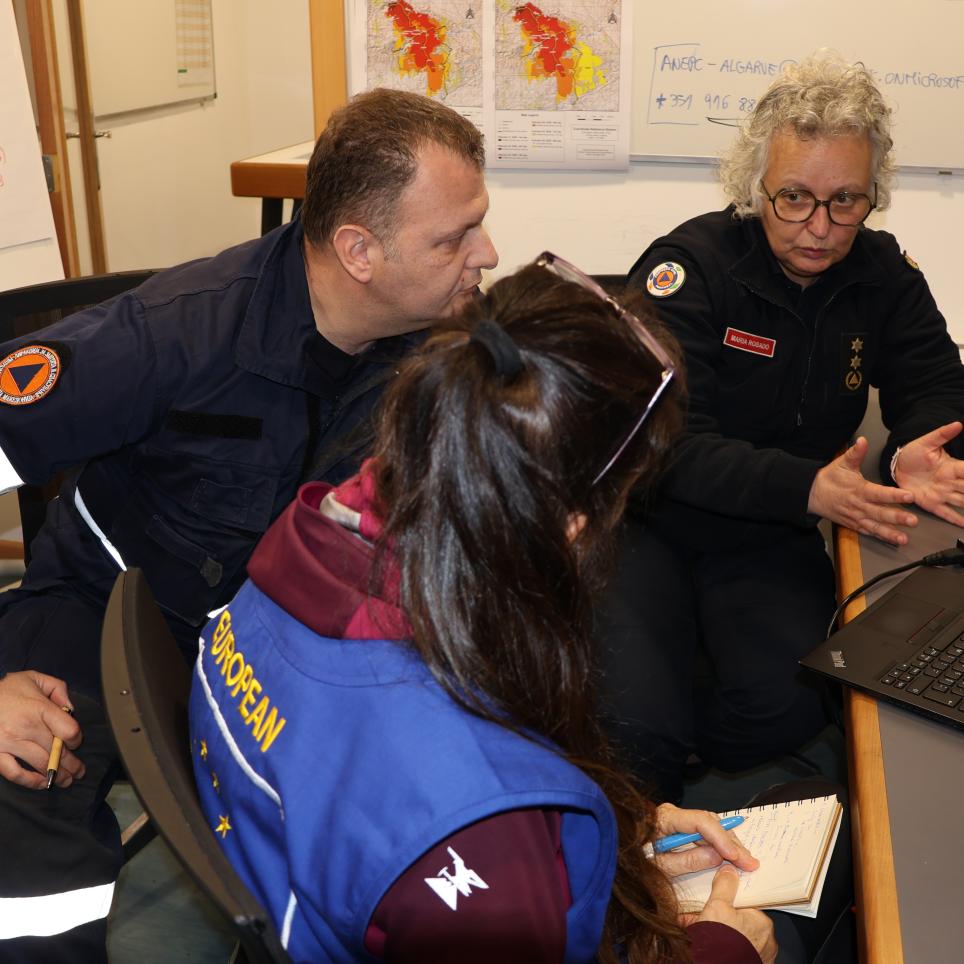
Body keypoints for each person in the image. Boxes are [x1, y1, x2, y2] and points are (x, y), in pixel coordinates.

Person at [0, 87, 497, 961]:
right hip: (112, 610)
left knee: (428, 806)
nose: (486, 254)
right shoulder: (173, 335)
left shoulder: (444, 348)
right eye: (455, 237)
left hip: (291, 646)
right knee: (19, 778)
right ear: (359, 251)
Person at [188, 257, 791, 963]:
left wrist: (619, 833)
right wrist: (722, 950)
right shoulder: (485, 843)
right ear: (570, 525)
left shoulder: (312, 541)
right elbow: (461, 805)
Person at [597, 52, 964, 803]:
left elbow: (936, 387)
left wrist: (908, 458)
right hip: (650, 523)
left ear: (873, 197)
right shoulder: (687, 270)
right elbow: (659, 442)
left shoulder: (883, 274)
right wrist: (809, 486)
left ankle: (693, 759)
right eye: (794, 197)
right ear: (753, 185)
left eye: (846, 202)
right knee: (636, 730)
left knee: (789, 703)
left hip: (770, 528)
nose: (820, 229)